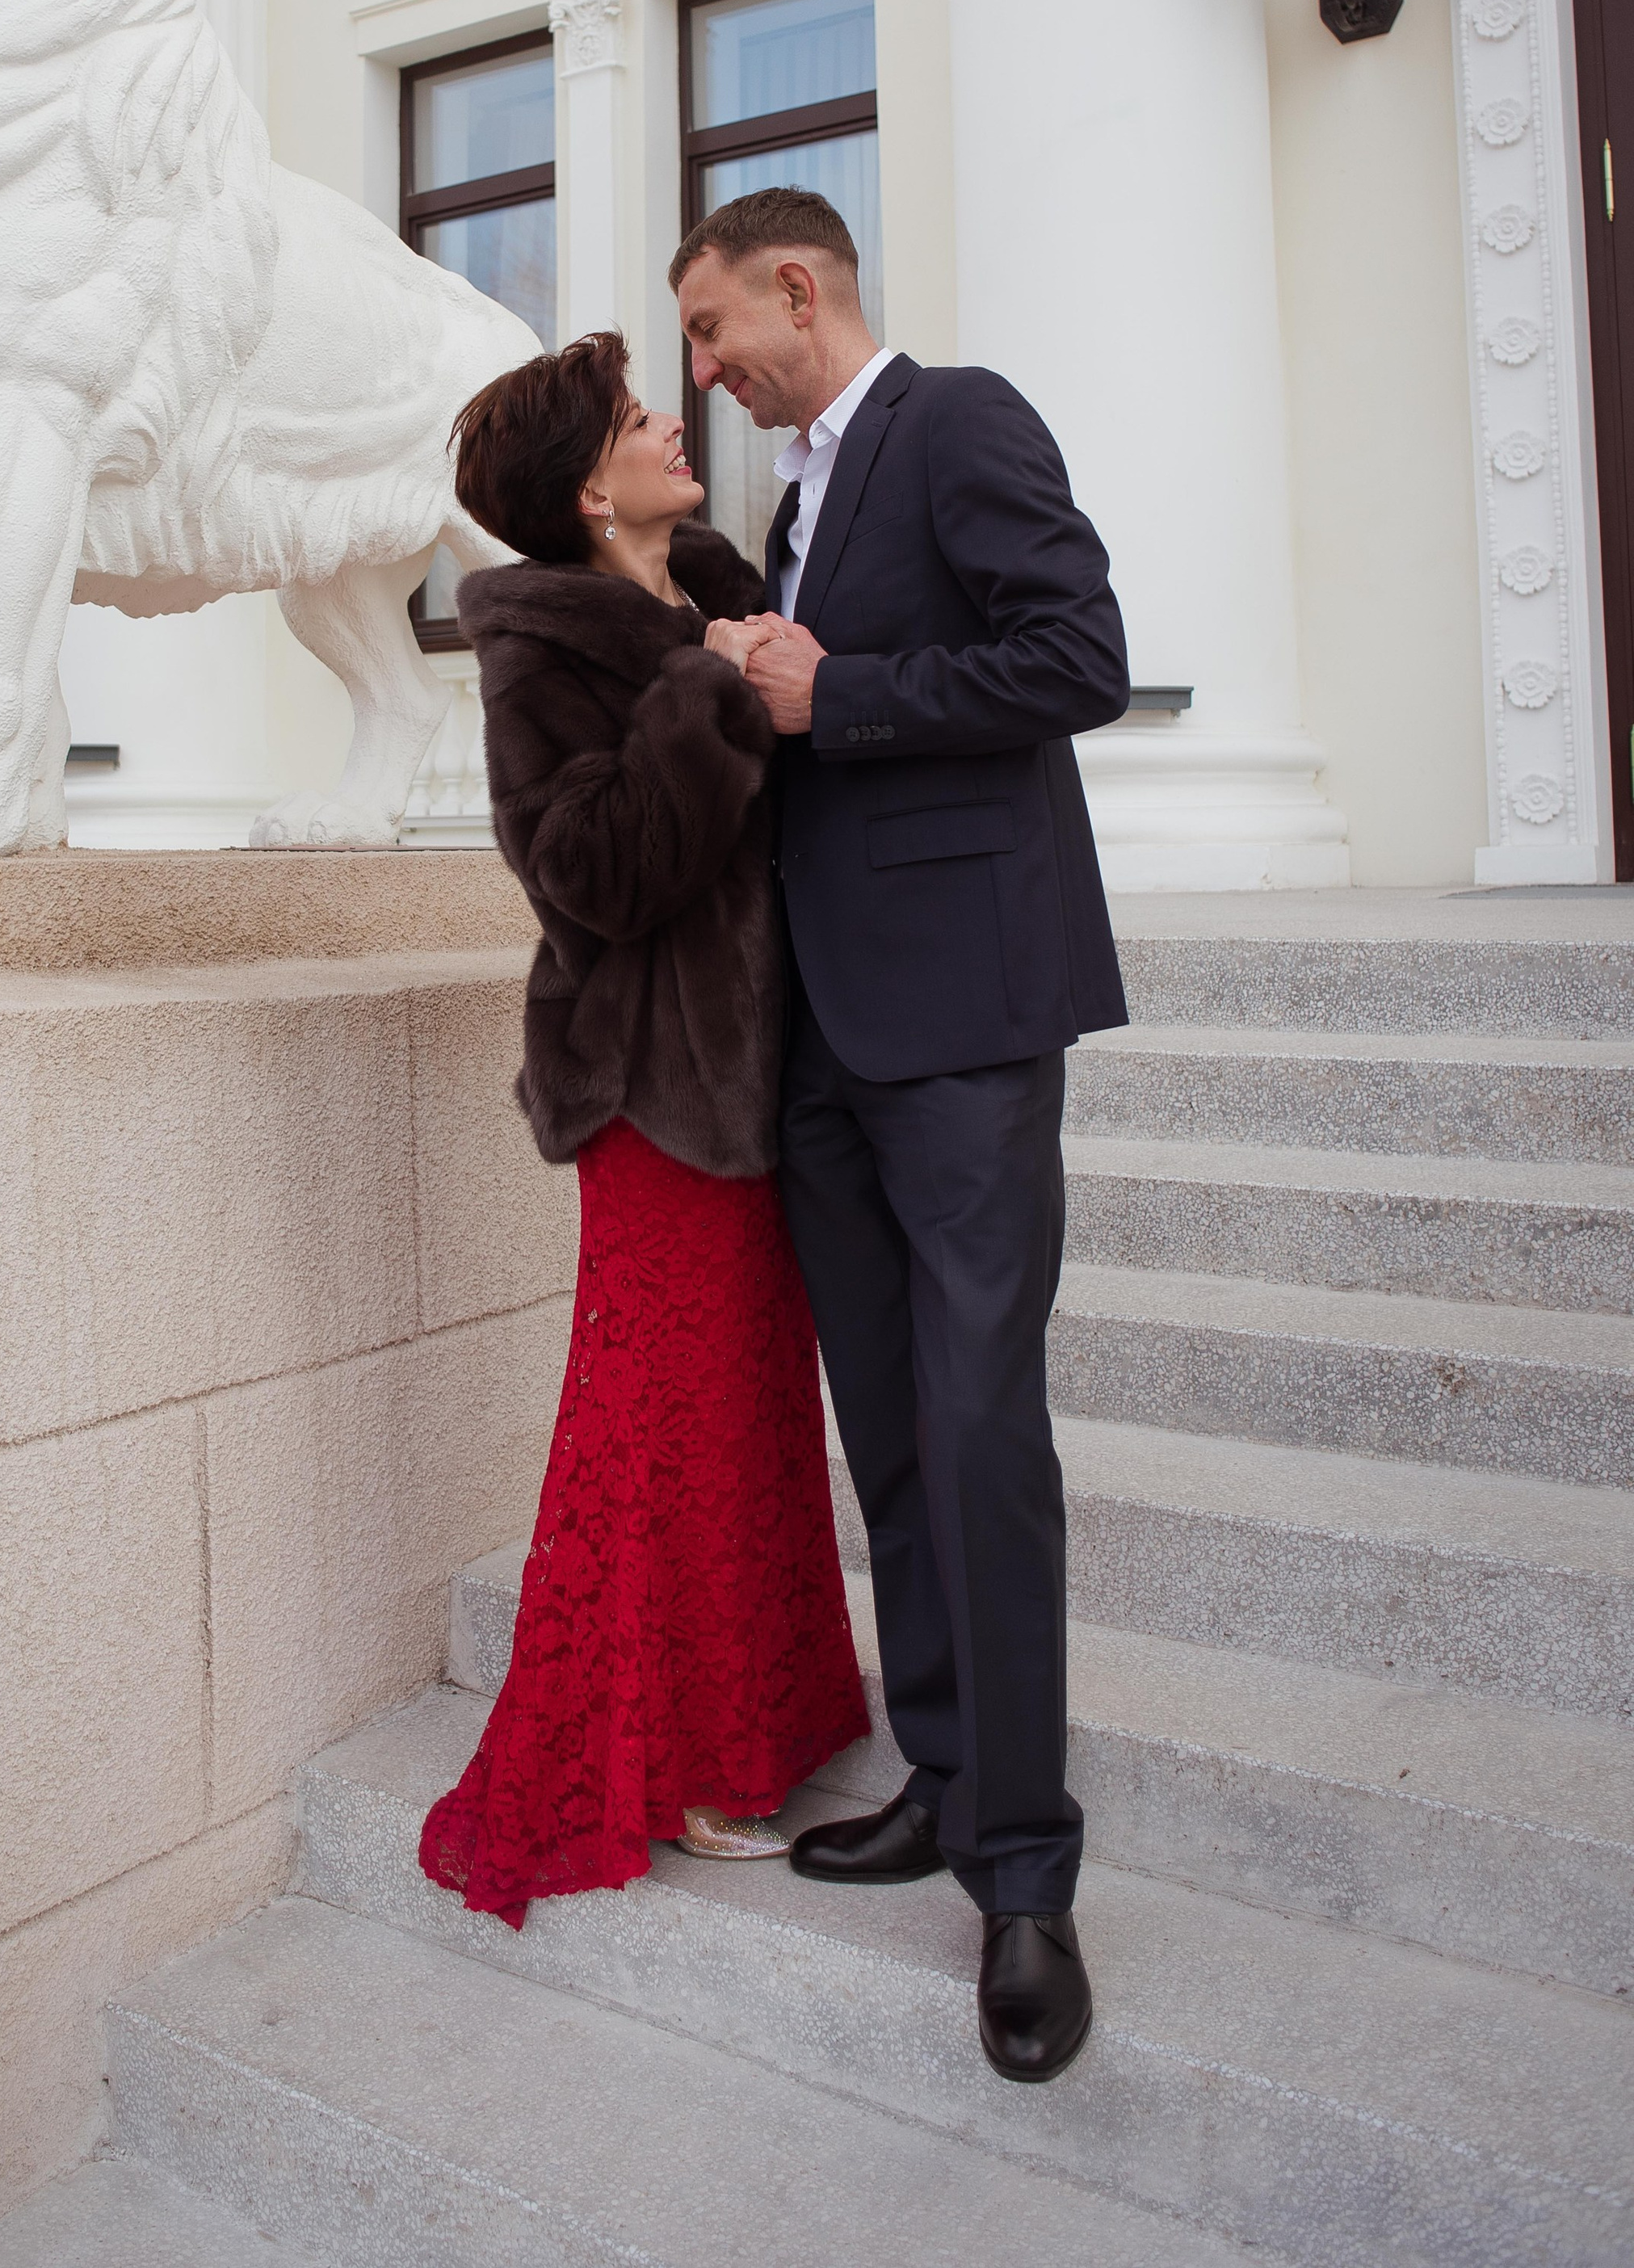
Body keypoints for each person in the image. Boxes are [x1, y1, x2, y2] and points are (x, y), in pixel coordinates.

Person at [673, 187, 1130, 2086]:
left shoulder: (958, 421)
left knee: (974, 1427)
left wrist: (831, 691)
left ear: (800, 286)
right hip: (828, 1050)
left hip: (959, 1024)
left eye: (714, 329)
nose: (704, 367)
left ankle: (1023, 1876)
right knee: (890, 1433)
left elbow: (1076, 655)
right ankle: (943, 1778)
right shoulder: (788, 500)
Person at [418, 330, 868, 1932]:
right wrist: (703, 689)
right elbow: (589, 875)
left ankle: (763, 1718)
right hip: (654, 1093)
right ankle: (663, 1758)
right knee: (657, 1419)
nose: (673, 418)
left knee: (752, 1406)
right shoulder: (551, 653)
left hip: (775, 1081)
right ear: (585, 483)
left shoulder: (724, 598)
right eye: (631, 415)